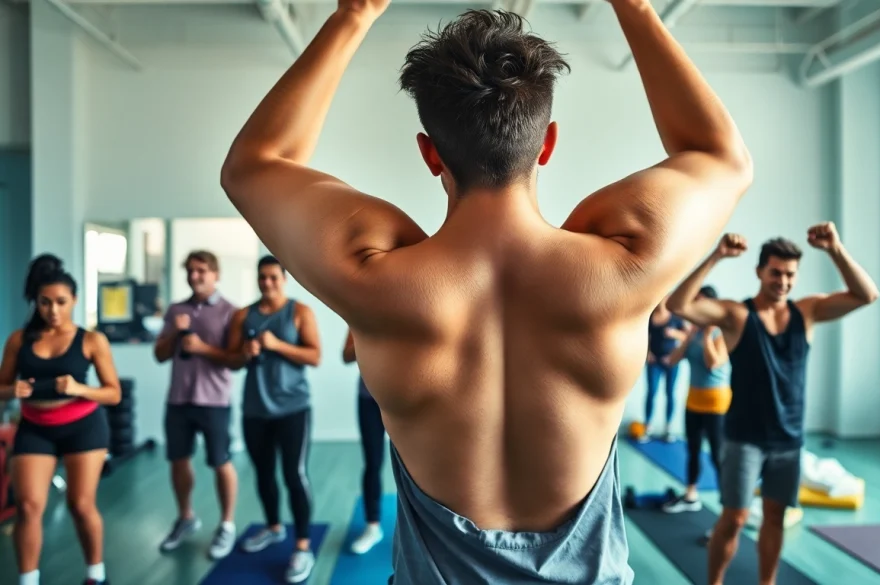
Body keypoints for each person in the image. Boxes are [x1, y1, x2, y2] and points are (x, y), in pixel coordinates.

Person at [220, 3, 754, 582]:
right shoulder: (623, 266)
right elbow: (720, 156)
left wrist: (354, 14)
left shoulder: (373, 276)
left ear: (430, 153)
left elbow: (254, 165)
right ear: (546, 144)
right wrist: (636, 8)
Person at [666, 225, 879, 585]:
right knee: (733, 517)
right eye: (776, 272)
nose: (783, 281)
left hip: (788, 438)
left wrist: (835, 248)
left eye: (790, 274)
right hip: (744, 436)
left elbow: (867, 294)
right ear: (760, 272)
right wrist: (716, 255)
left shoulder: (807, 311)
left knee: (775, 516)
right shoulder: (738, 315)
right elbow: (678, 305)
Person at [0, 254, 122, 585]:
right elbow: (1, 389)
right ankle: (28, 580)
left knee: (81, 505)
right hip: (36, 427)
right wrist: (13, 389)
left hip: (83, 427)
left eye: (60, 302)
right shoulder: (18, 340)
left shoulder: (91, 340)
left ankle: (95, 576)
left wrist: (80, 388)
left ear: (75, 300)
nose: (52, 310)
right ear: (36, 302)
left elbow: (113, 393)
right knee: (27, 506)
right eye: (45, 302)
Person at [226, 255, 322, 583]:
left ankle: (303, 546)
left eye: (273, 278)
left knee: (294, 474)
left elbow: (315, 356)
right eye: (262, 278)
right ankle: (273, 528)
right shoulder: (243, 315)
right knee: (264, 474)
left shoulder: (299, 313)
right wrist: (244, 354)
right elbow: (232, 361)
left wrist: (278, 345)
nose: (267, 283)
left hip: (293, 408)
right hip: (255, 410)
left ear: (284, 278)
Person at [153, 250, 239, 560]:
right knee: (178, 460)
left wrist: (202, 348)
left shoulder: (231, 311)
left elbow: (235, 359)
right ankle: (185, 517)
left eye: (201, 270)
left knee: (220, 461)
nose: (195, 276)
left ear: (216, 274)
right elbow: (160, 354)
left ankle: (227, 524)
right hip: (178, 399)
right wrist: (175, 331)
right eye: (190, 270)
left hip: (215, 400)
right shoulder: (176, 310)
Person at [661, 285, 731, 513]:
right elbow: (672, 360)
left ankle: (727, 504)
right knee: (692, 450)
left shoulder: (722, 333)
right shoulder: (692, 332)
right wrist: (691, 334)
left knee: (718, 455)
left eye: (700, 302)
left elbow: (713, 364)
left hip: (716, 404)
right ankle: (691, 495)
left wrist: (708, 334)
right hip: (693, 401)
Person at [342, 329, 387, 555]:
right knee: (372, 462)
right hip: (369, 399)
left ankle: (421, 532)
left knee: (416, 468)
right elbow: (346, 355)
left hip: (405, 399)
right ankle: (372, 526)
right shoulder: (360, 313)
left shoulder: (408, 306)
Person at [640, 298, 687, 443]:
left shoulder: (676, 318)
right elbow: (642, 337)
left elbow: (687, 337)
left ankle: (669, 428)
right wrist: (647, 354)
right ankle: (647, 427)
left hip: (671, 362)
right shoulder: (650, 316)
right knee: (651, 392)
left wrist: (674, 334)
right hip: (654, 362)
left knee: (670, 393)